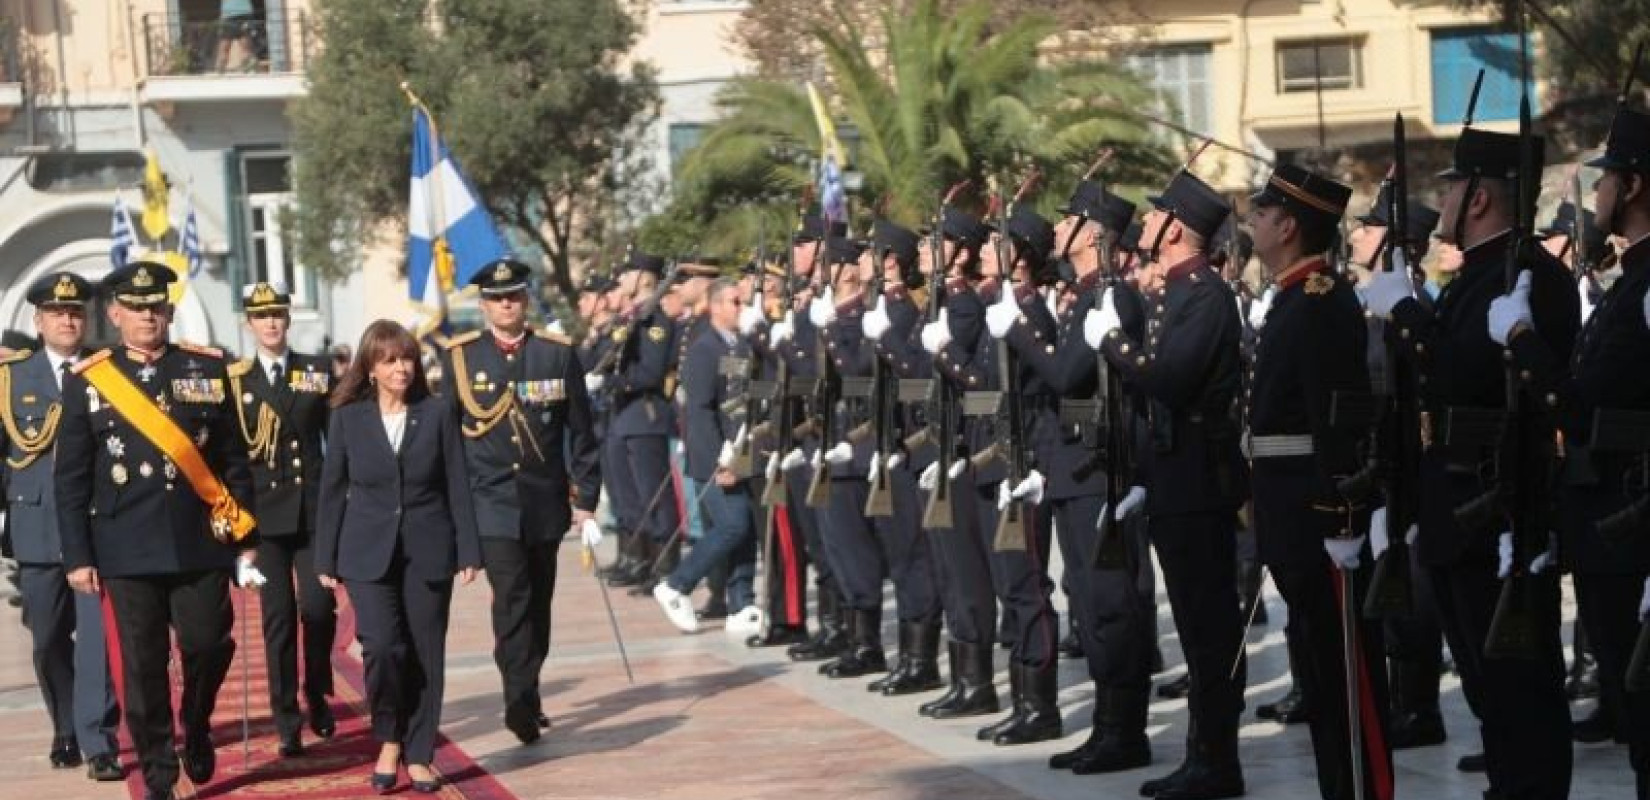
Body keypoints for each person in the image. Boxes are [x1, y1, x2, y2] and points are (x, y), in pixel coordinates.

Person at [1366, 124, 1579, 800]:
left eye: (1454, 186)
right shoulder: (1478, 274)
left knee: (1520, 689)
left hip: (1497, 509)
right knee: (1489, 690)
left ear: (1480, 198)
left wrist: (1407, 312)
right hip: (1455, 508)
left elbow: (1463, 375)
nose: (1446, 200)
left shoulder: (1528, 276)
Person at [1490, 104, 1650, 798]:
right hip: (1607, 531)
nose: (1599, 191)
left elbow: (1581, 407)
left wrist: (1522, 337)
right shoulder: (1629, 283)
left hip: (1631, 534)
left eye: (1608, 178)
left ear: (1633, 185)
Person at [56, 259, 257, 800]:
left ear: (168, 310)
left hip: (198, 541)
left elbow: (234, 461)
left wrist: (245, 539)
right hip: (125, 547)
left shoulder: (205, 369)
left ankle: (196, 720)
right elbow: (71, 480)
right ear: (114, 314)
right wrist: (78, 556)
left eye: (156, 306)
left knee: (209, 642)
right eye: (135, 307)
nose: (148, 315)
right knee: (143, 669)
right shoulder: (89, 379)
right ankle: (160, 774)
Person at [1084, 170, 1248, 800]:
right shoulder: (1178, 291)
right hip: (1175, 478)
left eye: (1157, 215)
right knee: (1195, 628)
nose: (1147, 221)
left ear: (1176, 229)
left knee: (1209, 631)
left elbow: (1172, 381)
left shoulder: (1205, 295)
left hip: (1200, 483)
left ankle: (1217, 761)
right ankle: (1202, 755)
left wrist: (1113, 343)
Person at [991, 181, 1157, 772]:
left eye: (1069, 221)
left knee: (1112, 606)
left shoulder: (1114, 299)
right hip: (1073, 471)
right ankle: (1107, 727)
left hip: (1100, 470)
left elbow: (1064, 376)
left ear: (1094, 234)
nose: (1058, 229)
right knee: (1088, 605)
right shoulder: (1083, 298)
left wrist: (1017, 329)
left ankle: (1126, 733)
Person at [1247, 164, 1393, 800]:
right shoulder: (1291, 297)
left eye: (1261, 213)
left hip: (1317, 517)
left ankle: (1364, 790)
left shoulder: (1319, 300)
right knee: (1319, 675)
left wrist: (1342, 514)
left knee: (1346, 678)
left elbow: (1340, 419)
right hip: (1290, 512)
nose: (1252, 221)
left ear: (1288, 226)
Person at [315, 320, 481, 794]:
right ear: (370, 367)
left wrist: (468, 549)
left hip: (428, 547)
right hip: (366, 550)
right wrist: (325, 556)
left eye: (406, 358)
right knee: (384, 647)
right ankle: (389, 737)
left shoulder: (437, 412)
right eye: (389, 361)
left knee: (426, 654)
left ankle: (420, 753)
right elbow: (332, 489)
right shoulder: (348, 418)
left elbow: (457, 482)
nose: (401, 368)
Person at [439, 259, 601, 745]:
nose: (506, 304)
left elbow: (581, 431)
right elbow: (449, 440)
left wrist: (586, 498)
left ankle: (527, 686)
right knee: (512, 599)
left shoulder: (556, 355)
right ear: (484, 305)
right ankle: (518, 698)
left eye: (513, 296)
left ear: (526, 300)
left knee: (539, 605)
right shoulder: (461, 357)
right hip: (491, 501)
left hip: (543, 500)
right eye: (496, 298)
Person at [3, 272, 123, 782]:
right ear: (39, 320)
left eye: (75, 312)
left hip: (97, 529)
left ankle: (98, 740)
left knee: (96, 639)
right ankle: (65, 725)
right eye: (57, 313)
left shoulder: (109, 372)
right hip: (36, 525)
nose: (68, 321)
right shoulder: (12, 378)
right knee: (48, 637)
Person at [229, 281, 338, 758]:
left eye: (277, 314)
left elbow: (336, 441)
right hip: (264, 520)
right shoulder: (236, 380)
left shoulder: (316, 371)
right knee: (278, 620)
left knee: (317, 608)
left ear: (288, 320)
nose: (270, 323)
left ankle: (317, 689)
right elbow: (233, 457)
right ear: (249, 324)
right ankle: (286, 719)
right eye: (261, 316)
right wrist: (237, 529)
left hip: (312, 512)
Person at [654, 278, 764, 632]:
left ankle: (741, 603)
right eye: (735, 302)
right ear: (716, 306)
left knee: (745, 529)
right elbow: (700, 412)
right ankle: (677, 584)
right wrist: (721, 460)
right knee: (733, 525)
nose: (741, 308)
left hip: (741, 451)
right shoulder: (705, 349)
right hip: (716, 457)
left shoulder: (739, 345)